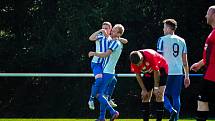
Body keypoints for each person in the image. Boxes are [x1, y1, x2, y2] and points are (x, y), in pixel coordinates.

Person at [88, 24, 126, 121]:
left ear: (118, 33)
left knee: (98, 94)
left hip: (107, 72)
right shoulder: (118, 42)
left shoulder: (114, 42)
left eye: (113, 31)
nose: (111, 32)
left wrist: (94, 53)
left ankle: (113, 112)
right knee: (103, 95)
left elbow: (105, 54)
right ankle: (101, 117)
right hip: (111, 72)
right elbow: (124, 40)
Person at [157, 19, 190, 121]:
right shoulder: (182, 40)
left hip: (166, 72)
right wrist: (187, 76)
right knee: (176, 96)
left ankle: (171, 111)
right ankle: (176, 119)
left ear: (168, 27)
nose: (163, 29)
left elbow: (159, 58)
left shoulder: (162, 39)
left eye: (164, 27)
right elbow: (185, 61)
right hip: (178, 72)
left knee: (162, 94)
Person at [190, 5, 215, 121]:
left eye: (208, 13)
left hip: (212, 75)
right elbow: (210, 55)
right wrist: (200, 64)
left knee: (202, 100)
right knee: (202, 100)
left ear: (214, 15)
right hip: (209, 73)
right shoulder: (212, 32)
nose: (206, 15)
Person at [129, 49, 168, 121]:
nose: (138, 65)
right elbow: (138, 75)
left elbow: (157, 72)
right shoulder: (134, 61)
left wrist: (156, 88)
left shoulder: (150, 56)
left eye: (139, 63)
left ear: (142, 58)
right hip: (148, 73)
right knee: (145, 96)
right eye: (136, 64)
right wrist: (143, 90)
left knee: (159, 94)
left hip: (161, 70)